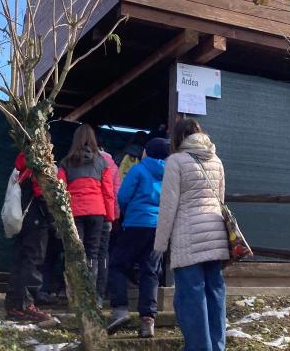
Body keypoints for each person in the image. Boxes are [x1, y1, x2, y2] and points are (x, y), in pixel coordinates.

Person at [154, 119, 229, 351]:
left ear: (177, 138)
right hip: (215, 234)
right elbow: (221, 200)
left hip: (188, 238)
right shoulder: (216, 159)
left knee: (191, 297)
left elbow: (168, 207)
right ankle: (217, 347)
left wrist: (160, 244)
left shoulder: (175, 161)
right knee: (215, 293)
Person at [107, 137, 169, 338]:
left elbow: (123, 196)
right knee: (150, 271)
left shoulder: (138, 170)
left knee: (118, 264)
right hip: (159, 227)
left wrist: (130, 212)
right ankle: (147, 321)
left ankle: (120, 310)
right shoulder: (170, 173)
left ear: (147, 152)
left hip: (135, 224)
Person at [58, 124, 115, 292]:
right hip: (97, 212)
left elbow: (60, 190)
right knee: (94, 254)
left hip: (74, 213)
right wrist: (110, 217)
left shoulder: (65, 162)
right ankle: (94, 294)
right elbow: (108, 192)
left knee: (76, 253)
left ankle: (77, 292)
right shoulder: (102, 162)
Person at [5, 149, 53, 322]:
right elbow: (42, 191)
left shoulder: (22, 160)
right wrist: (52, 216)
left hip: (22, 215)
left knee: (20, 259)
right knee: (33, 259)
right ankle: (26, 304)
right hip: (36, 216)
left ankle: (13, 305)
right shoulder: (38, 161)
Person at [95, 144, 121, 306]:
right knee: (102, 254)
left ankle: (83, 293)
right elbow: (115, 192)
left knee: (85, 253)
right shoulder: (111, 163)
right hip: (105, 215)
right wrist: (115, 216)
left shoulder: (74, 159)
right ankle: (99, 294)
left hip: (80, 216)